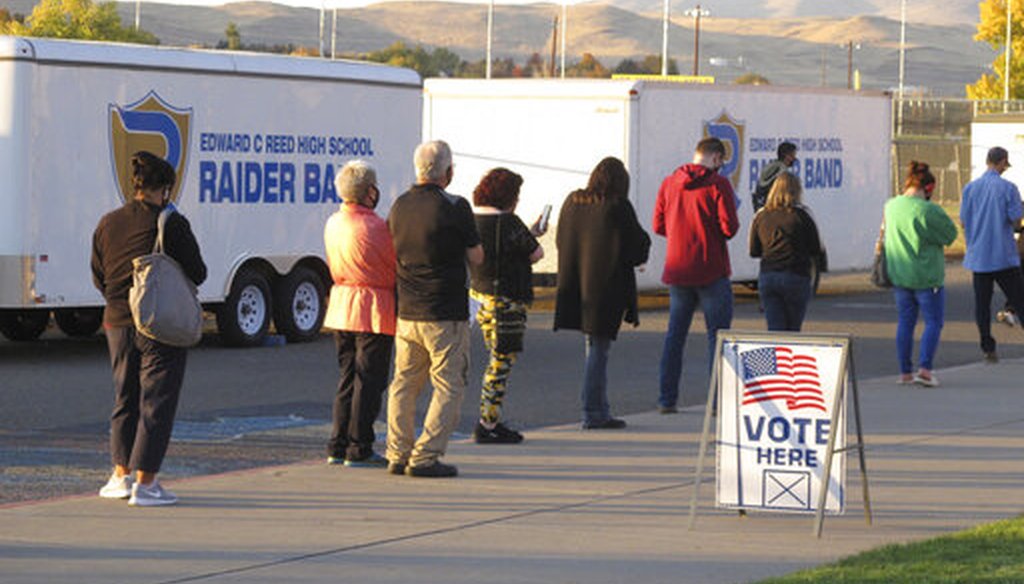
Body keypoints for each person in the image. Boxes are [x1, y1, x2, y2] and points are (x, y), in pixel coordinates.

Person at [90, 151, 207, 506]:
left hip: (116, 320)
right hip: (157, 322)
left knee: (124, 398)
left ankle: (120, 475)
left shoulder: (107, 222)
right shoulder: (170, 223)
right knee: (157, 400)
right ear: (165, 189)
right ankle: (148, 483)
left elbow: (98, 274)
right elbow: (198, 271)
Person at [386, 140, 483, 478]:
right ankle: (426, 456)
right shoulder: (455, 206)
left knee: (404, 383)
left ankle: (398, 452)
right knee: (448, 384)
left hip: (407, 311)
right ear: (448, 171)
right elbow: (476, 256)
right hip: (444, 311)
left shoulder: (398, 205)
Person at [554, 157, 651, 430]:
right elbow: (637, 244)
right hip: (606, 289)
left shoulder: (573, 201)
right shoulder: (618, 206)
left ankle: (598, 408)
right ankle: (594, 411)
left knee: (593, 349)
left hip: (577, 285)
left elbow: (561, 239)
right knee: (599, 350)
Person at [654, 137, 740, 414]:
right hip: (711, 268)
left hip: (678, 269)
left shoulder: (669, 182)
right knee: (717, 337)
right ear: (716, 158)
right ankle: (716, 403)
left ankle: (667, 399)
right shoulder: (718, 184)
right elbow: (730, 228)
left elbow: (658, 225)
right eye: (721, 162)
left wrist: (681, 233)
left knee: (674, 336)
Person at [322, 161, 396, 467]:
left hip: (342, 304)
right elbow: (392, 265)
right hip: (373, 306)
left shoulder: (334, 222)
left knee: (347, 377)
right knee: (370, 380)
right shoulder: (377, 227)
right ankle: (360, 444)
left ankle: (337, 443)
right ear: (369, 192)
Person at [468, 168, 545, 444]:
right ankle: (488, 423)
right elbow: (536, 253)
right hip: (507, 301)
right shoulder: (509, 222)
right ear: (508, 196)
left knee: (495, 358)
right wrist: (533, 233)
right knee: (501, 362)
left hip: (481, 297)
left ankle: (491, 419)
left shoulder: (473, 220)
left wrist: (530, 231)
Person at [884, 162, 958, 386]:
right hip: (927, 275)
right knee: (933, 322)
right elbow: (949, 235)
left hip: (900, 274)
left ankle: (905, 371)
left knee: (905, 323)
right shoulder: (928, 210)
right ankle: (925, 368)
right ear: (928, 188)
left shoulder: (891, 206)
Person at [960, 146, 1024, 363]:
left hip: (979, 256)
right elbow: (1016, 218)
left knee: (982, 306)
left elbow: (963, 221)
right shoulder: (1009, 188)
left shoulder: (970, 188)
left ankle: (988, 347)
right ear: (1002, 162)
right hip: (1003, 255)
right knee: (1019, 299)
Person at [749, 172, 824, 331]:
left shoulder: (761, 215)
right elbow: (816, 248)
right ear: (797, 191)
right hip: (796, 275)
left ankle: (777, 355)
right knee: (793, 330)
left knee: (775, 329)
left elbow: (754, 251)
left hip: (768, 276)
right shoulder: (802, 215)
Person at [752, 141, 798, 212]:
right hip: (773, 209)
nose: (795, 158)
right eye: (793, 155)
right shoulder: (783, 172)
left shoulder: (770, 166)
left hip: (760, 207)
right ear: (787, 156)